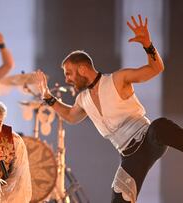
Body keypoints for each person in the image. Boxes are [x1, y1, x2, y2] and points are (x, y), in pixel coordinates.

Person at [35, 14, 183, 203]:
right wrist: (48, 97)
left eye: (69, 73)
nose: (67, 79)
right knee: (118, 198)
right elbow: (71, 117)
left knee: (160, 126)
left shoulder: (117, 79)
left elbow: (156, 69)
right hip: (129, 156)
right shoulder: (83, 99)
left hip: (148, 138)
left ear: (82, 69)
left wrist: (148, 44)